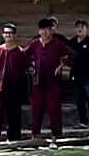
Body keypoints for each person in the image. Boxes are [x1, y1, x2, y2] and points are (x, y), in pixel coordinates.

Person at [23, 17, 77, 148]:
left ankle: (54, 139)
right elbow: (24, 54)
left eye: (47, 30)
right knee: (36, 110)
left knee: (54, 110)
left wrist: (62, 66)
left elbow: (72, 54)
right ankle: (34, 137)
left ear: (51, 31)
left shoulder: (57, 43)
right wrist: (32, 63)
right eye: (43, 30)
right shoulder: (35, 43)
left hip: (53, 82)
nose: (45, 33)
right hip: (38, 82)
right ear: (39, 31)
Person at [0, 23, 30, 144]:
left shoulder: (21, 52)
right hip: (0, 86)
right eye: (5, 33)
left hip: (15, 87)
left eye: (10, 33)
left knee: (14, 114)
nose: (7, 35)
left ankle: (14, 139)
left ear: (14, 35)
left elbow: (24, 68)